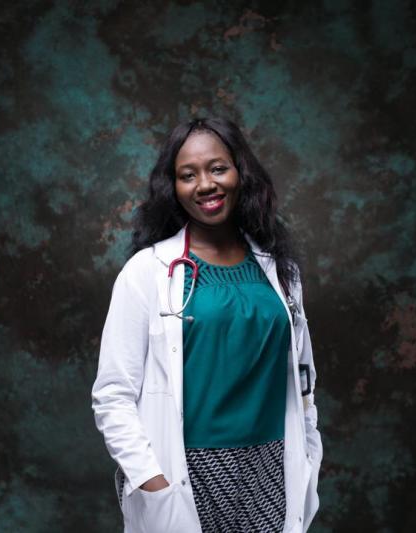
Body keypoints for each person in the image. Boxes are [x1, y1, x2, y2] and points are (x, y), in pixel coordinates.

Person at [91, 117, 323, 533]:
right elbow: (112, 396)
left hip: (270, 467)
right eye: (188, 175)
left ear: (240, 172)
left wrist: (307, 448)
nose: (205, 185)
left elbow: (302, 380)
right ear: (173, 187)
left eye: (217, 168)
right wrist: (153, 481)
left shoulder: (279, 271)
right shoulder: (146, 272)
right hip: (185, 473)